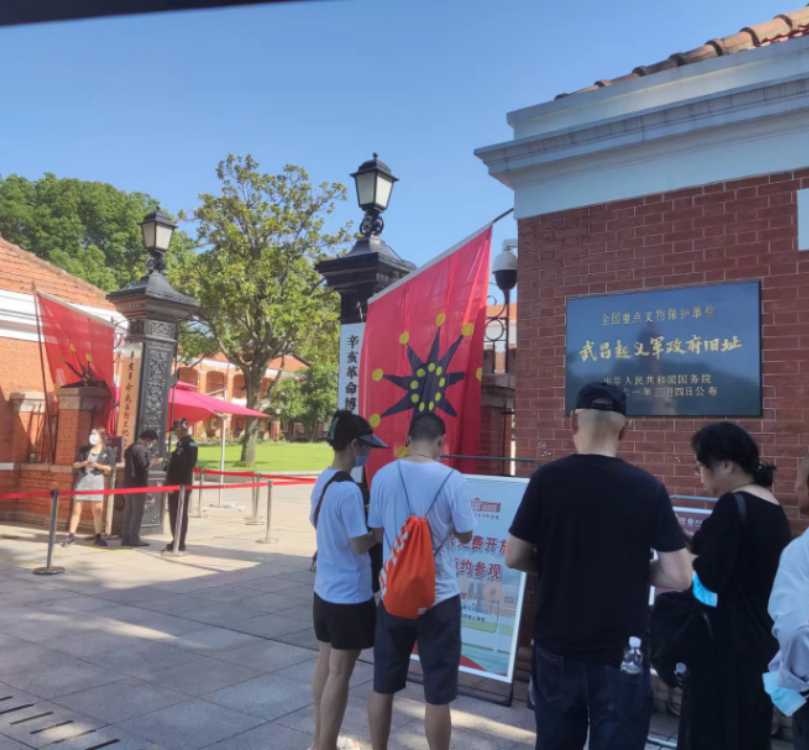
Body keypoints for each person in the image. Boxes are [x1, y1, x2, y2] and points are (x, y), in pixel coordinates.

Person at [505, 382, 691, 750]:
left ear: (573, 422)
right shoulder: (648, 488)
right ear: (625, 429)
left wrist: (555, 566)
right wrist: (633, 572)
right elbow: (680, 575)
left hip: (556, 642)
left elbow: (514, 555)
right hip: (623, 650)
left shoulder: (546, 480)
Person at [676, 422, 791, 750]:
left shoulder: (733, 506)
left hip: (725, 650)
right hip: (760, 644)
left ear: (726, 464)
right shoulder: (771, 505)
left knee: (713, 734)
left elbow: (705, 580)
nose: (699, 475)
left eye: (701, 466)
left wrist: (676, 561)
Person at [367, 412, 476, 750]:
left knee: (382, 686)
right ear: (441, 442)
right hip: (439, 599)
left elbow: (377, 530)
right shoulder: (453, 480)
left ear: (408, 439)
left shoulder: (383, 476)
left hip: (393, 596)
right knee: (438, 695)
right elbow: (466, 533)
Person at [309, 410, 387, 750]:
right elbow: (358, 543)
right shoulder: (349, 491)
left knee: (325, 665)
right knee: (340, 673)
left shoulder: (323, 480)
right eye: (365, 446)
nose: (367, 453)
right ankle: (326, 745)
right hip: (349, 596)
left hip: (324, 592)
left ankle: (318, 740)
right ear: (354, 445)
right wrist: (377, 534)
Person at [764, 457, 809, 750]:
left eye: (800, 481)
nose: (795, 488)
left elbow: (796, 630)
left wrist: (794, 683)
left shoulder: (800, 552)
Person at [63, 427, 116, 547]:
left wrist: (97, 465)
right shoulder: (84, 449)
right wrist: (84, 463)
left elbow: (110, 468)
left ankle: (98, 536)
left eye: (95, 434)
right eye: (91, 433)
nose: (92, 436)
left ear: (101, 437)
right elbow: (75, 464)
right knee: (76, 510)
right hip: (83, 481)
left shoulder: (108, 450)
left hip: (97, 481)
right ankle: (71, 535)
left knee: (97, 511)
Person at [120, 429, 159, 547]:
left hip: (128, 483)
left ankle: (125, 538)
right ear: (148, 439)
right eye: (152, 442)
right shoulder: (141, 449)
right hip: (138, 484)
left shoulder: (131, 447)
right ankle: (134, 538)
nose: (151, 444)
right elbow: (144, 466)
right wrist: (154, 461)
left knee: (128, 511)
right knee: (137, 512)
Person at [164, 419, 198, 552]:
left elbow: (187, 465)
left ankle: (180, 541)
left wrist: (174, 483)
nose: (175, 433)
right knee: (173, 513)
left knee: (179, 513)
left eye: (177, 431)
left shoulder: (190, 444)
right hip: (174, 484)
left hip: (181, 484)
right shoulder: (180, 444)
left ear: (183, 430)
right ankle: (176, 538)